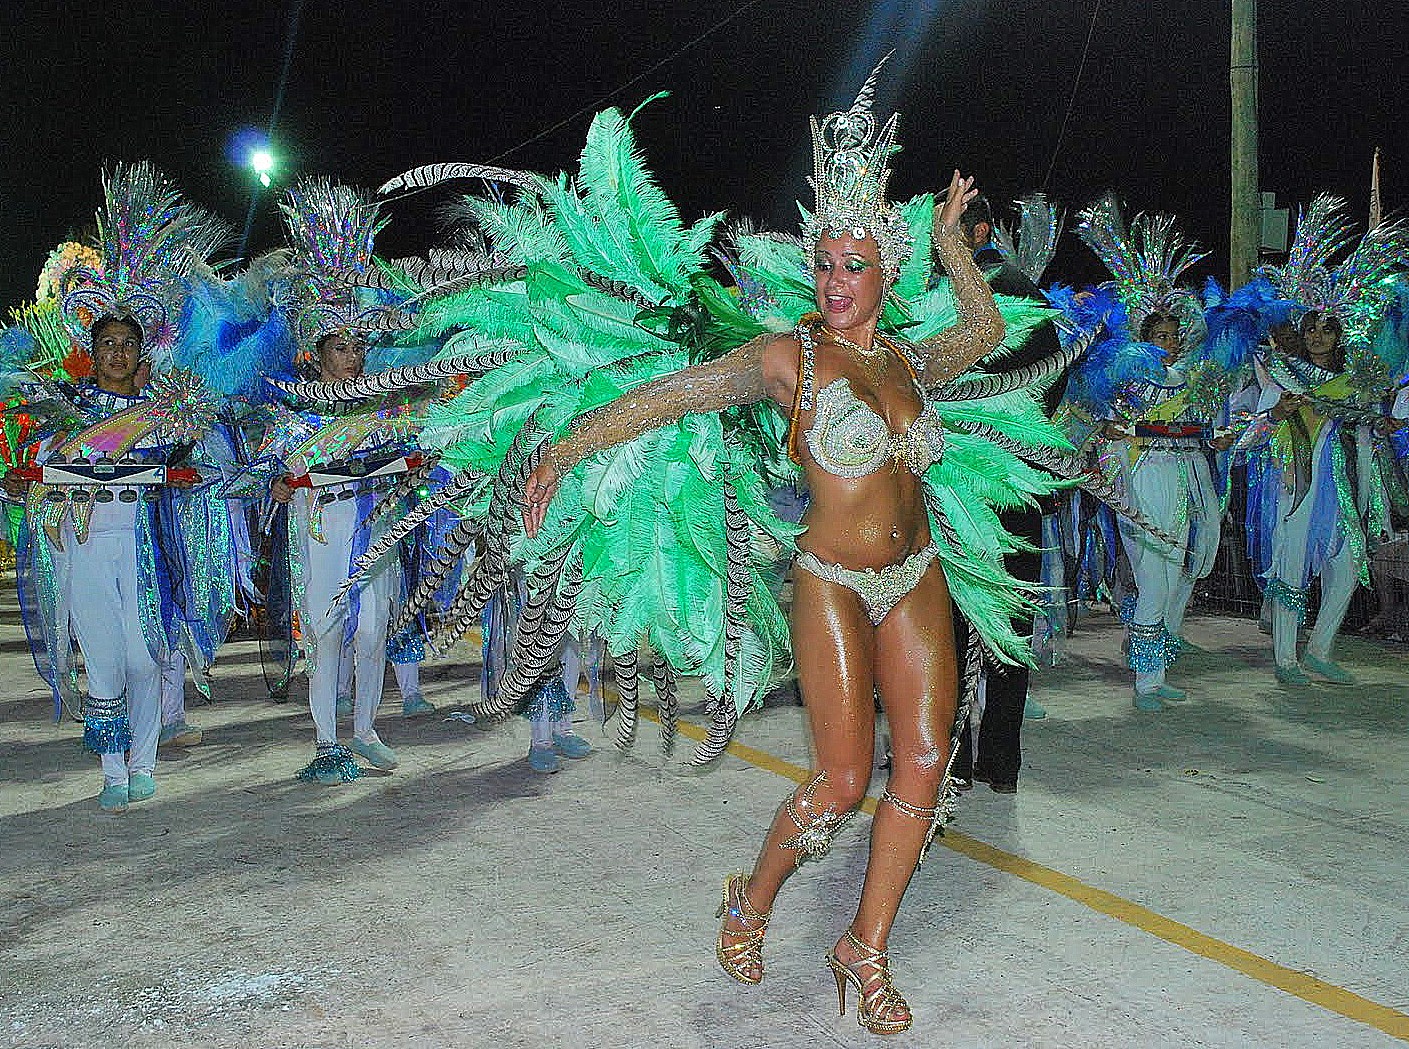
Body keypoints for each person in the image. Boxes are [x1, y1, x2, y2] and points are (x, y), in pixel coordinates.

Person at [521, 101, 1007, 1036]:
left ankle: (862, 947)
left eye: (853, 266)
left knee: (926, 761)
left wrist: (951, 241)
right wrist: (561, 451)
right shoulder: (792, 359)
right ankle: (751, 899)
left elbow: (982, 331)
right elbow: (671, 396)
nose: (832, 282)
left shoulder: (907, 361)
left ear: (885, 272)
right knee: (838, 781)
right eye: (823, 263)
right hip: (831, 579)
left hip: (919, 577)